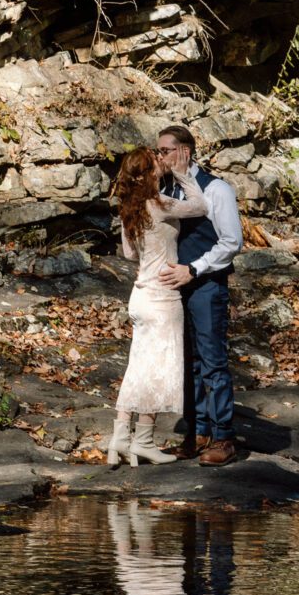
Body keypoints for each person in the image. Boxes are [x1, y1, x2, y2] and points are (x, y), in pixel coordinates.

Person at [107, 145, 209, 467]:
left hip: (140, 296)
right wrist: (183, 175)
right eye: (156, 163)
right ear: (148, 172)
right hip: (162, 298)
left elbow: (128, 254)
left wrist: (153, 252)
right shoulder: (159, 204)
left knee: (138, 367)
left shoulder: (130, 206)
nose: (162, 164)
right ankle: (144, 441)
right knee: (156, 371)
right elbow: (200, 205)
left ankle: (120, 438)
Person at [157, 125, 242, 466]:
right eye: (157, 151)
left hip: (206, 286)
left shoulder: (216, 189)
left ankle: (224, 437)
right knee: (187, 364)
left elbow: (231, 242)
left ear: (185, 152)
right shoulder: (163, 189)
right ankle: (198, 432)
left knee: (212, 363)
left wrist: (193, 269)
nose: (159, 157)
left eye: (164, 151)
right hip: (173, 289)